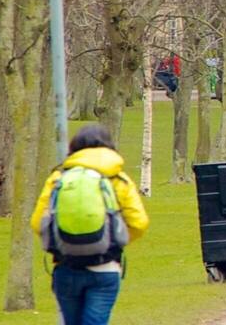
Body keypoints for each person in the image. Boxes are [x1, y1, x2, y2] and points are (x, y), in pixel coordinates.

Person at [30, 125, 150, 325]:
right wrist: (114, 240)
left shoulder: (58, 178)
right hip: (105, 267)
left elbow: (37, 223)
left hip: (66, 266)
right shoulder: (117, 179)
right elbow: (139, 223)